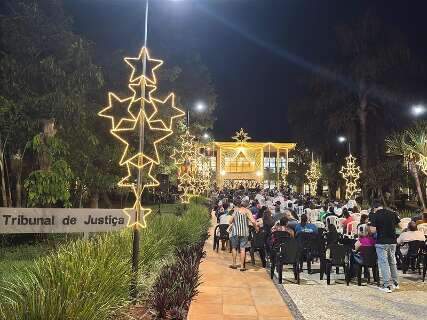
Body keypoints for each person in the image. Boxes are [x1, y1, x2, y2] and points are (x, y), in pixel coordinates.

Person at [369, 201, 402, 293]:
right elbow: (400, 226)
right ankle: (396, 283)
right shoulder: (392, 213)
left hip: (381, 242)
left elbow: (373, 230)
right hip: (392, 241)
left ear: (374, 208)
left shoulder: (375, 215)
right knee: (392, 262)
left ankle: (386, 285)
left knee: (384, 263)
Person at [228, 197, 259, 271]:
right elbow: (253, 221)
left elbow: (230, 221)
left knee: (234, 248)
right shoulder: (247, 211)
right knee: (243, 249)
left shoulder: (235, 211)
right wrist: (256, 228)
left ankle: (234, 264)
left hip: (235, 232)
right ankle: (242, 266)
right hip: (244, 232)